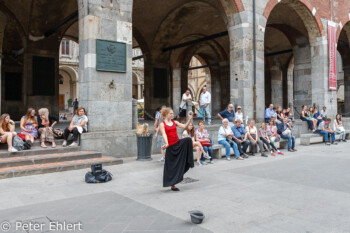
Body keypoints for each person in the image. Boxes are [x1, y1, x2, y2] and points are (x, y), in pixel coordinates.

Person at [159, 107, 194, 191]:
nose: (172, 114)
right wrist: (166, 143)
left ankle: (189, 161)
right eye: (170, 113)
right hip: (171, 147)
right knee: (172, 166)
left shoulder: (175, 122)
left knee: (188, 140)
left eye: (172, 113)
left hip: (177, 144)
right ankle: (172, 184)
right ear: (166, 114)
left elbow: (184, 126)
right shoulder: (162, 124)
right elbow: (164, 134)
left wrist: (189, 119)